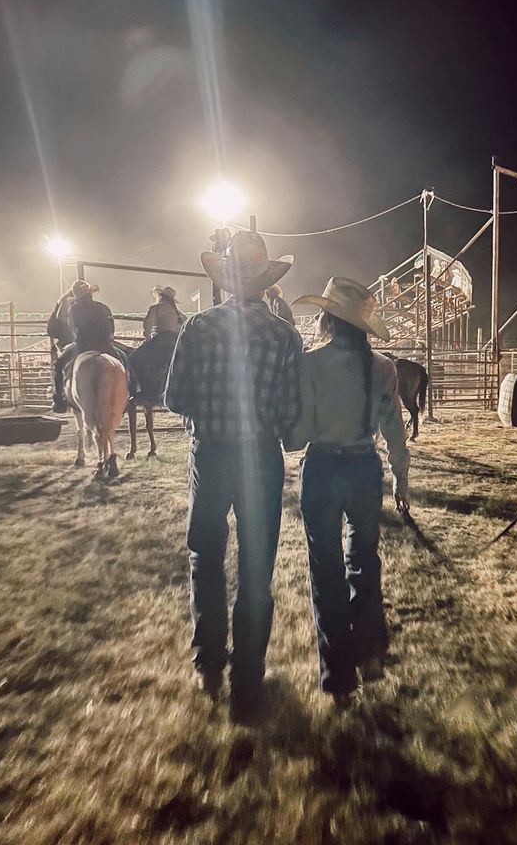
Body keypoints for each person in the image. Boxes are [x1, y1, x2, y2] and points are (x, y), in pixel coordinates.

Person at [164, 231, 302, 721]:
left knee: (205, 552)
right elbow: (289, 416)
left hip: (212, 454)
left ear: (224, 279)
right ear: (266, 282)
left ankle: (208, 663)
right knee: (257, 565)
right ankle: (248, 679)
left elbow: (174, 397)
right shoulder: (285, 335)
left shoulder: (198, 327)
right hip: (260, 458)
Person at [284, 277, 410, 707]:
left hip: (322, 467)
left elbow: (296, 438)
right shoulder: (383, 367)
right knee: (363, 560)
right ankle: (370, 648)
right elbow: (394, 430)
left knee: (325, 569)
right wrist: (401, 477)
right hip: (364, 467)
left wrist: (289, 432)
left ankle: (337, 676)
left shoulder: (309, 363)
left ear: (327, 318)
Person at [52, 281, 126, 412]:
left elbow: (73, 328)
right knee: (124, 361)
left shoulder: (74, 309)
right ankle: (129, 393)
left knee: (58, 365)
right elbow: (110, 327)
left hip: (82, 344)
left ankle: (59, 400)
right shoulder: (102, 307)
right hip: (104, 344)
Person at [128, 286, 185, 404]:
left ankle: (142, 392)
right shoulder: (177, 312)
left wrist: (147, 338)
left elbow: (147, 324)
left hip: (160, 338)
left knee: (134, 359)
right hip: (174, 340)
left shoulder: (156, 308)